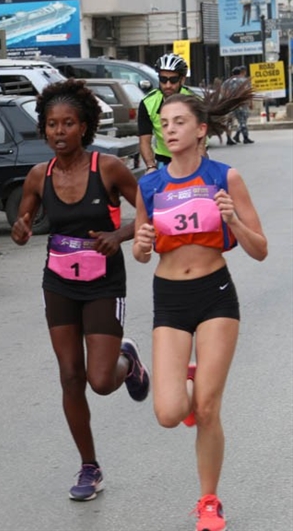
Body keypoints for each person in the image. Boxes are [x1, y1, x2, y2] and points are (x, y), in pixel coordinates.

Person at [132, 81, 267, 531]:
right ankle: (186, 385)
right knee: (170, 414)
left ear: (200, 130)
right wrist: (143, 243)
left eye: (178, 123)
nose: (169, 131)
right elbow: (141, 250)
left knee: (207, 408)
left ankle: (209, 501)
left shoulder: (223, 178)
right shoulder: (148, 184)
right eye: (164, 124)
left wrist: (232, 220)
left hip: (215, 294)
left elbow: (260, 248)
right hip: (169, 297)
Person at [11, 78, 150, 501]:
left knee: (101, 381)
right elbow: (23, 225)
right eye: (52, 124)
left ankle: (129, 361)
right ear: (44, 129)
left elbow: (149, 209)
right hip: (59, 282)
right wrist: (20, 230)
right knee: (71, 377)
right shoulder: (38, 176)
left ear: (84, 126)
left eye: (68, 123)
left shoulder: (107, 168)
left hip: (105, 281)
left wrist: (121, 234)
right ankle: (89, 466)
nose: (59, 132)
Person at [138, 53, 197, 172]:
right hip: (164, 161)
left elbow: (201, 142)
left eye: (173, 80)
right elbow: (144, 141)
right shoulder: (147, 103)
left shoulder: (194, 102)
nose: (168, 85)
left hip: (192, 159)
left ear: (182, 79)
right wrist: (151, 166)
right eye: (163, 80)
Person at [227, 66, 254, 144]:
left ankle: (229, 138)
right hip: (242, 104)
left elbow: (223, 92)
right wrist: (250, 103)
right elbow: (249, 93)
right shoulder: (244, 81)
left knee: (230, 122)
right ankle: (245, 137)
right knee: (243, 120)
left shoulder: (227, 82)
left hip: (230, 104)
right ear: (240, 72)